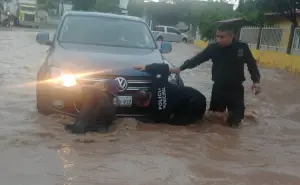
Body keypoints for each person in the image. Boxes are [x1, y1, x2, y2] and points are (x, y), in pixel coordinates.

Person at [171, 24, 261, 127]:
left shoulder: (242, 47)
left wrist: (256, 81)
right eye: (217, 36)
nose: (218, 39)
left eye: (222, 37)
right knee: (214, 119)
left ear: (231, 36)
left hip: (236, 89)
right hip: (219, 88)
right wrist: (180, 68)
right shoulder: (213, 48)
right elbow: (198, 59)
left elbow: (252, 64)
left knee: (236, 121)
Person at [133, 63, 206, 125]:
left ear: (145, 104)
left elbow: (159, 122)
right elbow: (164, 67)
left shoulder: (157, 113)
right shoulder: (157, 84)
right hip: (198, 96)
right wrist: (146, 67)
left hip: (194, 107)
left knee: (171, 124)